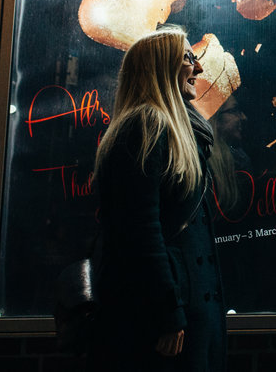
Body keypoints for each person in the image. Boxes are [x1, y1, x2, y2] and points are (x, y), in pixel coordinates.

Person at [89, 26, 227, 371]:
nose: (197, 68)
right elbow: (140, 230)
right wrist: (167, 312)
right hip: (167, 314)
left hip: (185, 304)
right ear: (160, 68)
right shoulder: (147, 126)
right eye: (187, 58)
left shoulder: (168, 127)